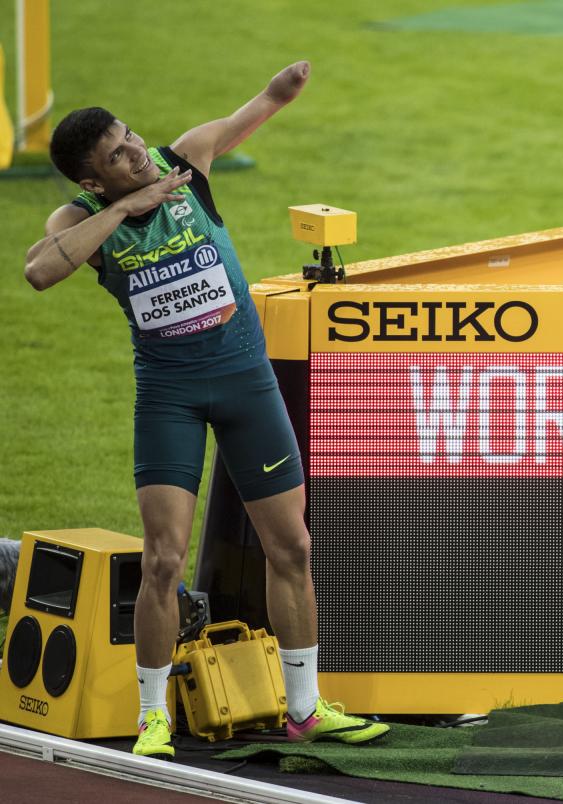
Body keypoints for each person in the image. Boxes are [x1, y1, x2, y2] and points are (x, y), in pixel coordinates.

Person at [23, 61, 388, 759]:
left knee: (294, 548)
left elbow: (263, 104)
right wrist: (127, 209)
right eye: (117, 158)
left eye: (130, 136)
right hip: (170, 396)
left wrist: (287, 87)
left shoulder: (186, 160)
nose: (137, 153)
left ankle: (305, 709)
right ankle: (151, 717)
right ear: (92, 182)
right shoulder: (79, 219)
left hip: (247, 386)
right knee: (162, 560)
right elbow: (40, 270)